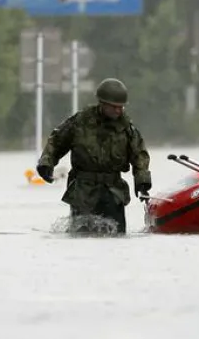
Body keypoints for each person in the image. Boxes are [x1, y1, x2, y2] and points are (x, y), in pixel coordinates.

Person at [36, 78, 151, 234]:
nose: (119, 110)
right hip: (83, 190)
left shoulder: (126, 129)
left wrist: (142, 182)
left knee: (116, 235)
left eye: (121, 107)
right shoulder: (80, 122)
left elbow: (139, 155)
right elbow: (57, 141)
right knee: (81, 234)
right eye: (114, 107)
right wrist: (46, 164)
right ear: (102, 103)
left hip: (113, 191)